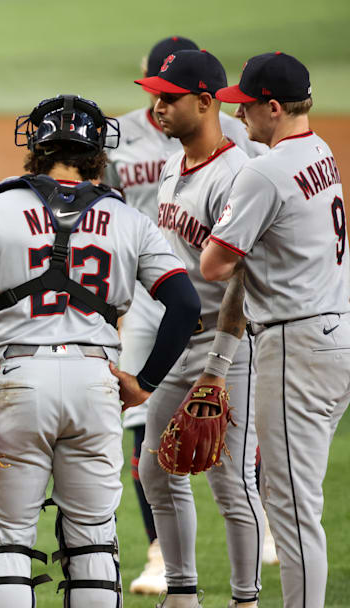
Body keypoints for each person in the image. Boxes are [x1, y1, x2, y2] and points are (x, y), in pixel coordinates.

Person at [0, 94, 199, 608]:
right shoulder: (129, 220)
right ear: (97, 152)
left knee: (6, 539)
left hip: (16, 383)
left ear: (37, 147)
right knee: (92, 538)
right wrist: (144, 382)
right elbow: (184, 303)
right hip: (96, 383)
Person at [103, 36, 271, 596]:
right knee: (156, 469)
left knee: (231, 481)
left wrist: (219, 367)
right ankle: (183, 589)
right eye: (154, 95)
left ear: (206, 102)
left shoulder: (239, 174)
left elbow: (245, 280)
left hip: (226, 344)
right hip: (176, 338)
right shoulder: (177, 165)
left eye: (170, 97)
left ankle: (245, 597)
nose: (157, 107)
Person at [201, 51, 349, 608]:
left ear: (272, 107)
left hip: (296, 347)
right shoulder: (321, 151)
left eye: (246, 108)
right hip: (336, 336)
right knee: (295, 498)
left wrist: (242, 236)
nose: (239, 117)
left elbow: (214, 265)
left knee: (289, 509)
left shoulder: (265, 170)